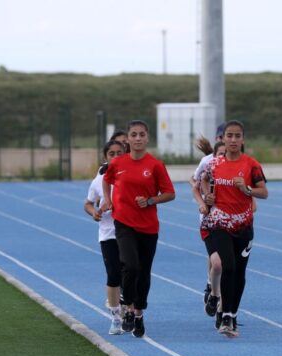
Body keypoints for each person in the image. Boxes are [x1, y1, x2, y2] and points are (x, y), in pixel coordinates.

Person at [102, 120, 176, 338]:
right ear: (128, 139)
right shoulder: (118, 163)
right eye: (133, 135)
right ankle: (127, 308)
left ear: (147, 138)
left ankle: (139, 312)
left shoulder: (155, 165)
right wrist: (108, 200)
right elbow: (106, 180)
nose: (137, 138)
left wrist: (151, 200)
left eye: (141, 135)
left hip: (148, 226)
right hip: (123, 222)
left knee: (143, 271)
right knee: (130, 266)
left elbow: (170, 193)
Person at [199, 120, 268, 337]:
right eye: (229, 136)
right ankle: (226, 315)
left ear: (243, 139)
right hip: (219, 223)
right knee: (227, 266)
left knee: (239, 272)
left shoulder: (252, 165)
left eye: (237, 136)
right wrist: (207, 196)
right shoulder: (215, 164)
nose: (233, 140)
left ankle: (233, 313)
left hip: (244, 225)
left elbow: (263, 192)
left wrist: (246, 188)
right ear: (222, 139)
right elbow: (203, 180)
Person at [84, 140, 126, 335]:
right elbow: (88, 203)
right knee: (114, 274)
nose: (116, 157)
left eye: (119, 153)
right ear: (105, 157)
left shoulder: (131, 177)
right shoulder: (99, 180)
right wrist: (94, 212)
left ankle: (131, 310)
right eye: (112, 154)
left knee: (131, 272)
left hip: (130, 231)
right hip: (108, 233)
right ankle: (116, 317)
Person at [190, 124, 225, 306]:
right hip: (210, 218)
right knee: (216, 259)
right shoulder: (208, 162)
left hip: (231, 220)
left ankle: (224, 307)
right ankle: (212, 287)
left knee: (224, 262)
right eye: (221, 137)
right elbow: (195, 181)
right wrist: (204, 200)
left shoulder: (240, 164)